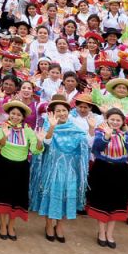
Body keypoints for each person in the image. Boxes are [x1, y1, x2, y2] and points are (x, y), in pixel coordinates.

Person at [29, 93, 89, 243]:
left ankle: (60, 225)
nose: (62, 113)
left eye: (64, 110)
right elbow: (46, 143)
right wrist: (52, 127)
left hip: (70, 170)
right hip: (53, 168)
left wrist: (92, 130)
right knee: (52, 195)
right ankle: (49, 224)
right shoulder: (48, 126)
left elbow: (86, 144)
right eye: (58, 111)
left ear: (68, 112)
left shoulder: (76, 128)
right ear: (53, 113)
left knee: (65, 196)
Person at [0, 99, 43, 241]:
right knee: (2, 196)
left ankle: (12, 225)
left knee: (16, 198)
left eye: (18, 114)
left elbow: (36, 150)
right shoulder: (2, 128)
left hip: (20, 169)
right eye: (13, 113)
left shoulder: (28, 130)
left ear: (23, 117)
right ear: (8, 114)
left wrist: (40, 140)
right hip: (3, 166)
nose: (15, 116)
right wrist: (4, 136)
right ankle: (3, 225)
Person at [86, 108, 128, 249]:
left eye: (118, 120)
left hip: (121, 172)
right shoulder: (100, 132)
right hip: (103, 170)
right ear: (107, 120)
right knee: (102, 202)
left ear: (122, 122)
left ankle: (110, 234)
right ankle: (101, 233)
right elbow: (96, 148)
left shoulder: (125, 135)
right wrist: (107, 137)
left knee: (117, 203)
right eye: (112, 119)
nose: (115, 122)